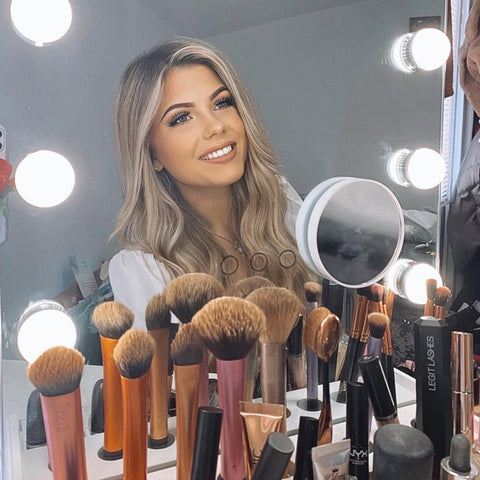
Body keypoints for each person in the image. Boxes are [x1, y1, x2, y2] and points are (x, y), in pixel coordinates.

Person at [109, 37, 311, 328]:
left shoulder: (282, 203)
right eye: (181, 118)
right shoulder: (144, 272)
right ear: (151, 152)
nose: (216, 125)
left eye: (222, 103)